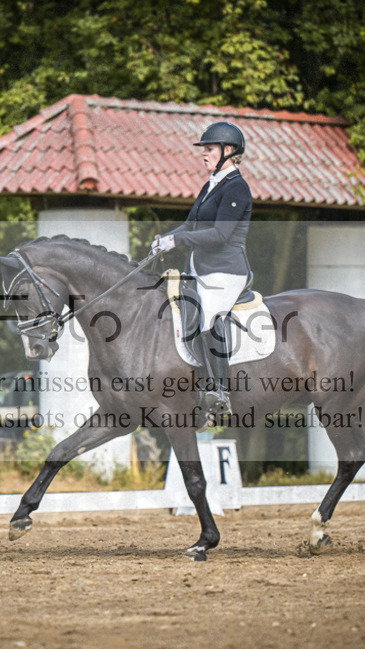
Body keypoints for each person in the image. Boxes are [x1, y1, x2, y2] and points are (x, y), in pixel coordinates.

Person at [151, 121, 253, 425]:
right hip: (199, 271)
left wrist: (180, 239)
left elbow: (221, 235)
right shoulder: (212, 184)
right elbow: (192, 226)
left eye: (209, 148)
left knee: (206, 314)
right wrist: (166, 239)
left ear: (228, 151)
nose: (204, 154)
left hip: (225, 271)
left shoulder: (237, 187)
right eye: (205, 149)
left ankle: (219, 392)